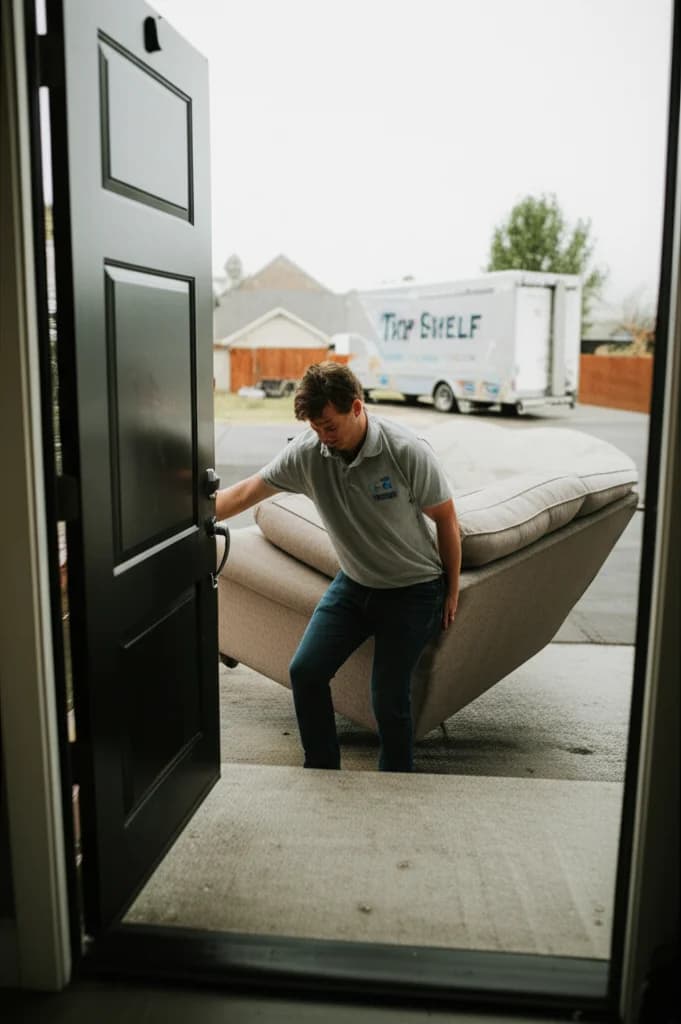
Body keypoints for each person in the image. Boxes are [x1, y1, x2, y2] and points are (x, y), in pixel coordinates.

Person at [215, 362, 461, 772]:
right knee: (305, 671)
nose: (323, 437)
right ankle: (322, 769)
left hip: (413, 589)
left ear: (357, 408)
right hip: (355, 583)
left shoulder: (405, 451)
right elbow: (243, 494)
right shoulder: (309, 453)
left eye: (329, 425)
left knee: (387, 695)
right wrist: (185, 511)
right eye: (314, 427)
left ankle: (396, 782)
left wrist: (450, 590)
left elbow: (447, 519)